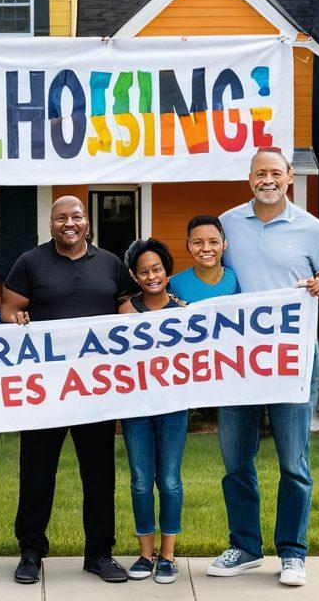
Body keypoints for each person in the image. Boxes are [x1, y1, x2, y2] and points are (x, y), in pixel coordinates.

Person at [206, 147, 319, 588]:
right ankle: (245, 546)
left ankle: (292, 552)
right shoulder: (227, 223)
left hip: (293, 360)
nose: (267, 179)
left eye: (275, 172)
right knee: (235, 459)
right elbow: (209, 273)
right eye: (259, 172)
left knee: (293, 462)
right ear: (249, 178)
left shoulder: (311, 227)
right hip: (238, 361)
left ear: (289, 177)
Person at [1, 195, 137, 585]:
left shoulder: (111, 263)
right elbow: (8, 310)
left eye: (76, 216)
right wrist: (16, 319)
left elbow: (127, 310)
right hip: (45, 388)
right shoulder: (31, 262)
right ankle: (31, 551)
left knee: (99, 475)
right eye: (61, 217)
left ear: (88, 222)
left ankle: (99, 552)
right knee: (37, 472)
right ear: (51, 224)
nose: (69, 223)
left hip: (96, 389)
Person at [117, 239, 188, 586]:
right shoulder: (125, 312)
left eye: (156, 269)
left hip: (174, 408)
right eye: (143, 271)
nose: (151, 275)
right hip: (136, 409)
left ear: (166, 270)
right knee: (141, 480)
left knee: (170, 481)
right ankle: (145, 554)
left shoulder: (184, 311)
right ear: (134, 274)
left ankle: (168, 557)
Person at [169, 215, 240, 303]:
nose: (206, 248)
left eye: (213, 242)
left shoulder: (235, 278)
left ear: (224, 244)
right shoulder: (175, 284)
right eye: (198, 243)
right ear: (189, 246)